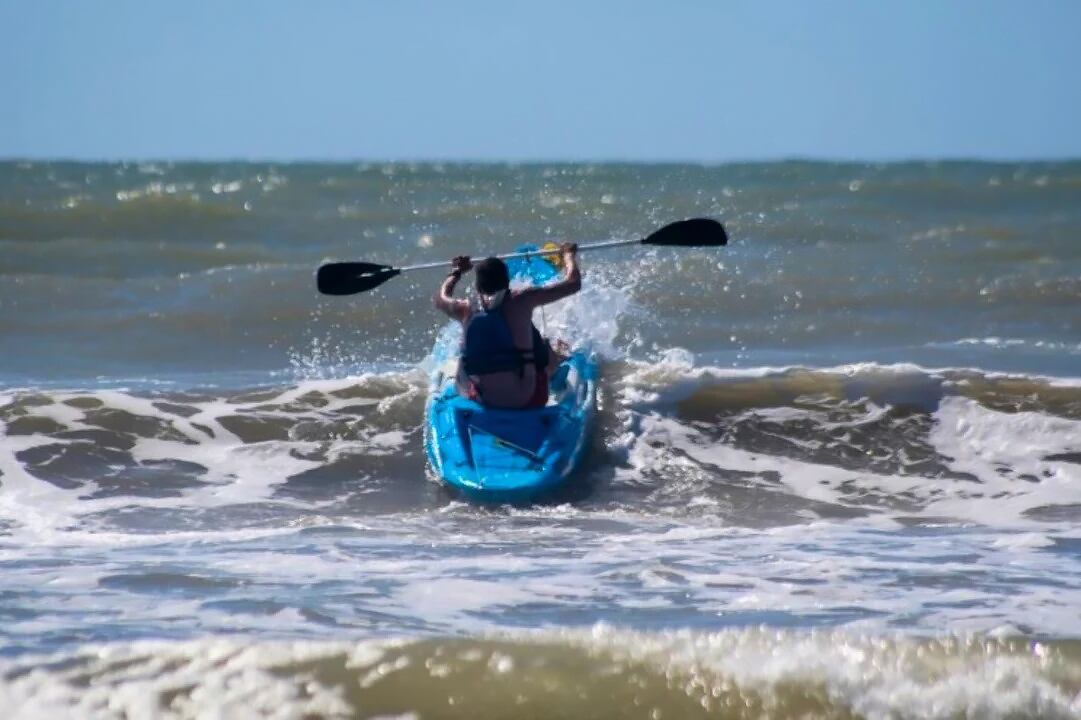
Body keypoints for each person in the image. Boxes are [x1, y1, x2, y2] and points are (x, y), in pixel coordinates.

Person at [433, 242, 581, 409]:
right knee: (543, 345)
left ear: (477, 286)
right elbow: (573, 283)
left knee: (468, 349)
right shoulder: (523, 300)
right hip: (531, 398)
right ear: (507, 281)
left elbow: (440, 298)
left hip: (483, 400)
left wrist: (457, 272)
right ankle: (557, 364)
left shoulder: (464, 309)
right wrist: (568, 255)